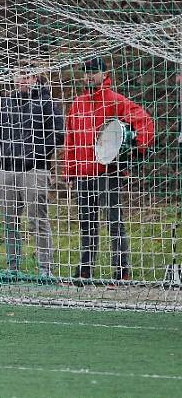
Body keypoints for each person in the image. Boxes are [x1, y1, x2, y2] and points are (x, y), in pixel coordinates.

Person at [63, 57, 155, 283]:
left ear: (105, 75)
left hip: (108, 172)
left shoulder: (116, 101)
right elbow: (71, 140)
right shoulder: (77, 103)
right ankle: (85, 270)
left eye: (93, 71)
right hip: (83, 174)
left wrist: (140, 145)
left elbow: (144, 120)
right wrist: (70, 171)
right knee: (87, 224)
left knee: (114, 222)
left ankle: (121, 270)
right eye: (85, 72)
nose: (88, 76)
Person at [0, 68, 64, 278]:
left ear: (35, 78)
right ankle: (13, 268)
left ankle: (45, 269)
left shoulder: (47, 102)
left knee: (37, 220)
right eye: (19, 75)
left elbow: (59, 135)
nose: (22, 80)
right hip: (6, 169)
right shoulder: (5, 102)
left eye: (27, 76)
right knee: (9, 220)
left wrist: (36, 152)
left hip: (34, 169)